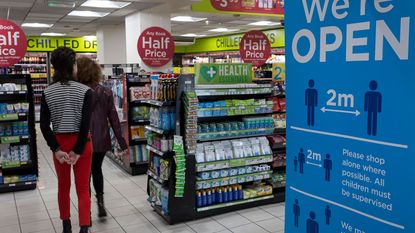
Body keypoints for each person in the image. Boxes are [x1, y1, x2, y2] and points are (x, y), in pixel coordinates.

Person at [40, 47, 93, 233]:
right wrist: (78, 151)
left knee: (63, 187)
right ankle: (84, 228)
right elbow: (86, 124)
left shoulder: (48, 92)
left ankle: (66, 226)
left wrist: (56, 149)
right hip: (83, 144)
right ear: (72, 66)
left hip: (60, 144)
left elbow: (44, 126)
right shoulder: (85, 91)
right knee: (83, 188)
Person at [76, 57, 128, 218]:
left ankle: (87, 211)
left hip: (82, 139)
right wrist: (123, 143)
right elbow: (114, 120)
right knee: (97, 169)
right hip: (101, 138)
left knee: (85, 174)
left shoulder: (76, 92)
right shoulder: (106, 91)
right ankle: (100, 203)